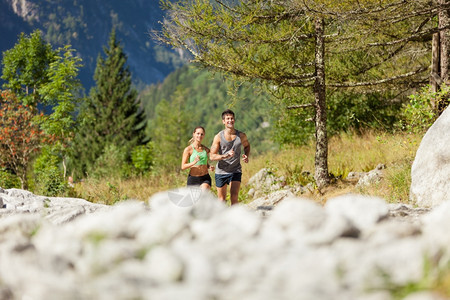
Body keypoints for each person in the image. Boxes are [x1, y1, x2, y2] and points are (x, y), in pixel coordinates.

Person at [210, 109, 250, 205]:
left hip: (235, 170)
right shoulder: (218, 137)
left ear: (234, 120)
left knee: (234, 196)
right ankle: (223, 219)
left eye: (232, 118)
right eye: (227, 119)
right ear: (223, 121)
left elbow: (247, 146)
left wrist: (246, 155)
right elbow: (212, 156)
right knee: (221, 200)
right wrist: (225, 156)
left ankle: (234, 219)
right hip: (221, 171)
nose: (230, 120)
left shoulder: (241, 136)